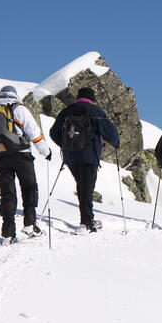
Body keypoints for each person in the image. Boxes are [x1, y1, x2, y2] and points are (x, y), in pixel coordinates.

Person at [0, 85, 52, 242]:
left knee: (7, 193)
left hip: (0, 158)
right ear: (15, 95)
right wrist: (46, 151)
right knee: (29, 188)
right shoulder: (19, 109)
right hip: (21, 155)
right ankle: (30, 224)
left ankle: (8, 232)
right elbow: (34, 132)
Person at [49, 87, 119, 232]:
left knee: (82, 186)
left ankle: (87, 219)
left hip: (71, 157)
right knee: (87, 188)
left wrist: (65, 145)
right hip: (89, 156)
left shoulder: (67, 111)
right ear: (92, 99)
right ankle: (86, 223)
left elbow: (53, 132)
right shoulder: (95, 111)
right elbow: (110, 132)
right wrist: (116, 142)